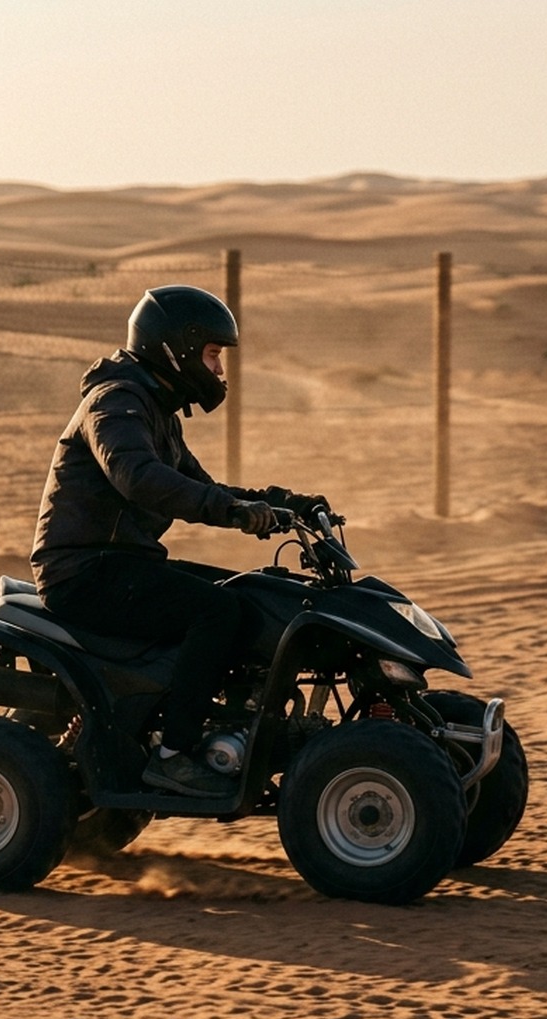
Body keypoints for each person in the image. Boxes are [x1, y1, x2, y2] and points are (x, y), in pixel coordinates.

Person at [29, 284, 327, 798]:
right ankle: (176, 754)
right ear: (177, 349)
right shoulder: (115, 403)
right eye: (212, 354)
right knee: (216, 612)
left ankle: (233, 721)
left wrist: (283, 503)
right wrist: (234, 512)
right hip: (84, 573)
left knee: (250, 596)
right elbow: (138, 476)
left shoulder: (156, 410)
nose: (217, 369)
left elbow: (202, 487)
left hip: (123, 565)